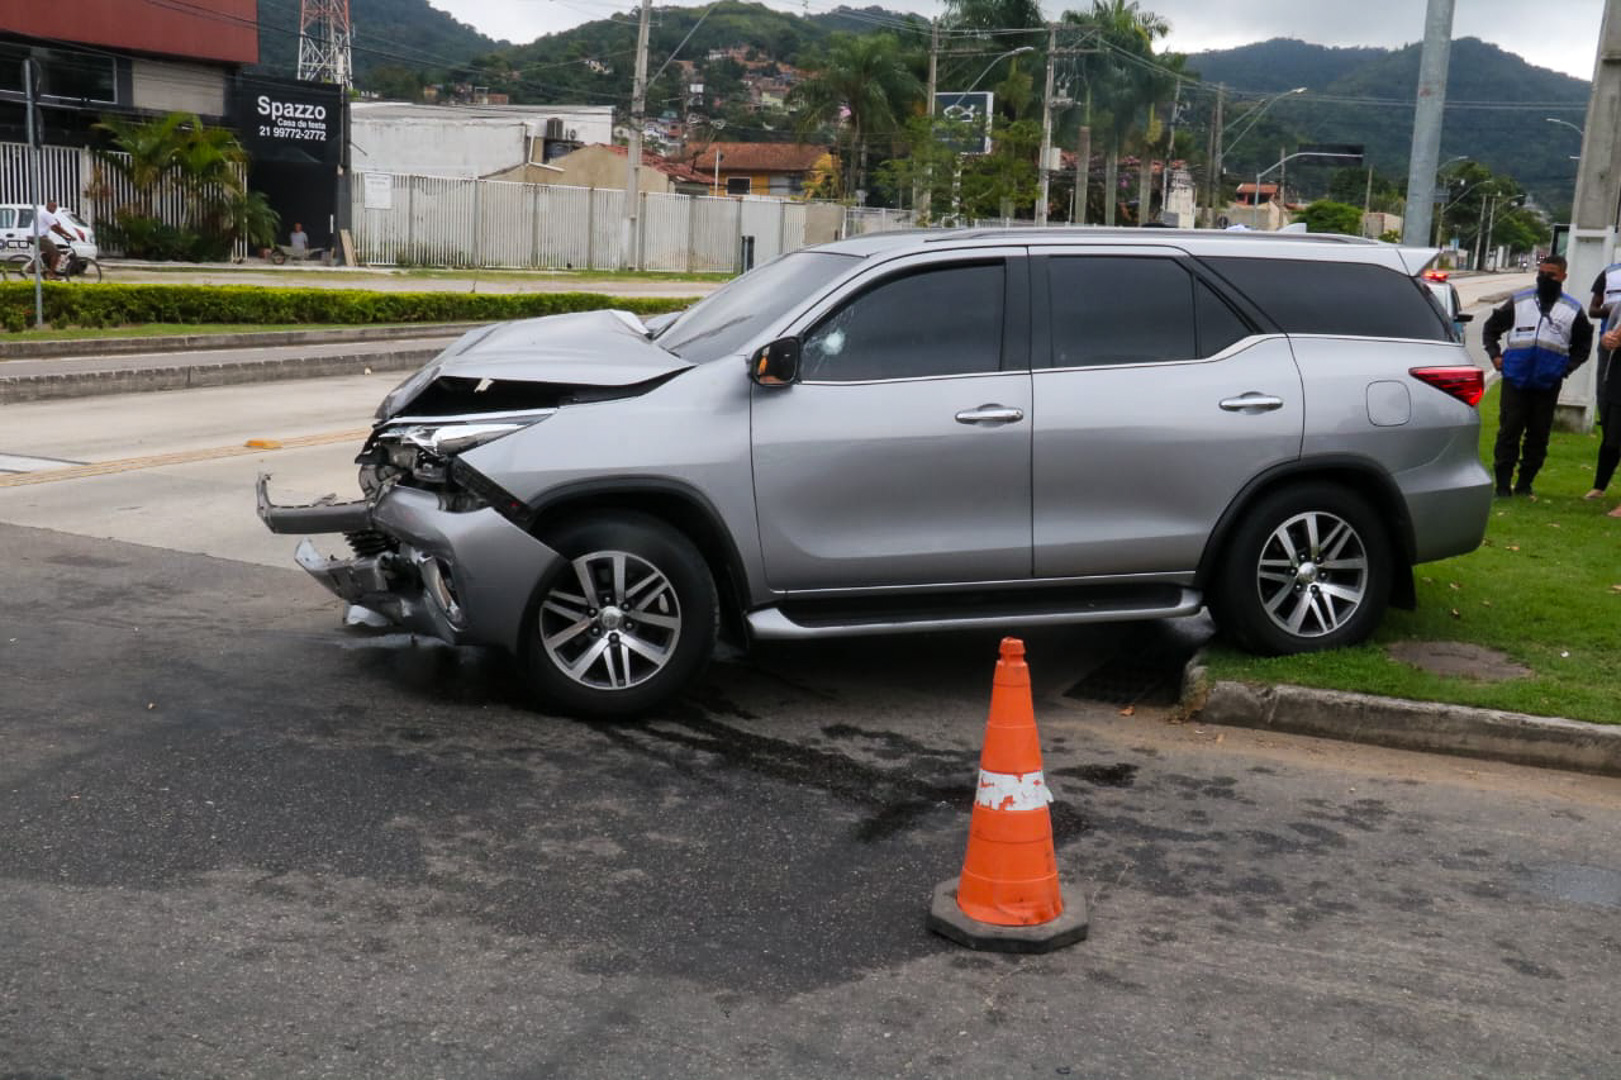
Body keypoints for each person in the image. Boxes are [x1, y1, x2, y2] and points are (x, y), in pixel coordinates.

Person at [1482, 254, 1593, 497]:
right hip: (1515, 379)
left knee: (1538, 435)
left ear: (1563, 276)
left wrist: (1565, 368)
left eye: (1551, 275)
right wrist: (1495, 355)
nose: (1545, 279)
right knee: (1509, 432)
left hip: (1547, 382)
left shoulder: (1572, 310)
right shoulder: (1519, 301)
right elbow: (1491, 328)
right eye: (1541, 274)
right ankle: (1502, 486)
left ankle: (1524, 485)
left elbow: (1583, 346)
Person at [32, 199, 76, 279]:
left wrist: (64, 237)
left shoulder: (45, 214)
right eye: (53, 206)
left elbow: (53, 228)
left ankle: (39, 267)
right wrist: (70, 235)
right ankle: (51, 274)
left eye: (56, 207)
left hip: (36, 236)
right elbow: (57, 227)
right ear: (47, 206)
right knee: (56, 253)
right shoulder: (46, 214)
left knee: (50, 253)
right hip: (39, 237)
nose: (54, 209)